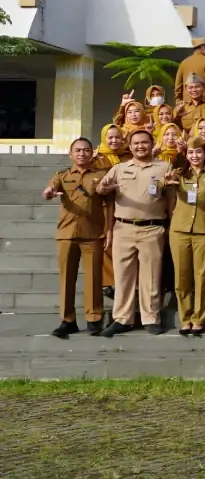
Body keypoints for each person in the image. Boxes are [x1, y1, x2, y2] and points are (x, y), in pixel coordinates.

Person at [96, 129, 173, 336]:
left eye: (144, 142)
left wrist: (170, 226)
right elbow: (101, 190)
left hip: (152, 227)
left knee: (151, 277)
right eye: (136, 143)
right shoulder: (119, 168)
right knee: (123, 277)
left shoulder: (164, 167)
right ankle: (122, 318)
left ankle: (151, 318)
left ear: (152, 143)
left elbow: (172, 198)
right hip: (123, 228)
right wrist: (103, 187)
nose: (140, 146)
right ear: (129, 146)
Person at [42, 138, 108, 338]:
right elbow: (49, 190)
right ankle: (67, 320)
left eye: (86, 150)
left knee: (94, 278)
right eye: (77, 151)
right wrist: (48, 192)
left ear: (92, 153)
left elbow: (109, 200)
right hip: (67, 234)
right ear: (70, 154)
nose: (82, 154)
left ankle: (94, 319)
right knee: (67, 278)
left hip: (93, 234)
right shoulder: (62, 175)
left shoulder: (101, 176)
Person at [165, 136, 205, 336]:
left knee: (201, 276)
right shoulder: (179, 174)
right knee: (182, 276)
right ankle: (185, 317)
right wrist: (179, 156)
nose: (195, 156)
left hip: (204, 230)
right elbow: (163, 184)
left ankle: (199, 318)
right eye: (191, 152)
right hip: (179, 230)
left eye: (198, 152)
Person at [174, 36, 205, 101]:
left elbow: (178, 84)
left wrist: (178, 100)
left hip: (187, 102)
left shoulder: (184, 62)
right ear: (203, 48)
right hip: (204, 101)